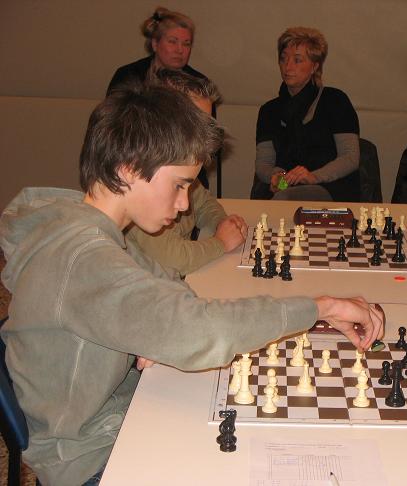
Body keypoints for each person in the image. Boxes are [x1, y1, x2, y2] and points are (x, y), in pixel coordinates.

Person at [0, 85, 384, 486]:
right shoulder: (85, 258)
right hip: (92, 458)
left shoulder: (92, 228)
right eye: (179, 184)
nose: (185, 204)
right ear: (129, 169)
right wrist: (323, 307)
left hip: (120, 414)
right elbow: (202, 330)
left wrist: (155, 329)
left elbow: (168, 286)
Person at [125, 69, 245, 275]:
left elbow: (204, 203)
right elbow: (171, 259)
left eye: (208, 123)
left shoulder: (182, 167)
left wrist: (222, 224)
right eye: (196, 122)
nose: (205, 134)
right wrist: (220, 243)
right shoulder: (147, 180)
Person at [106, 7, 218, 189]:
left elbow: (207, 140)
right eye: (173, 42)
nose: (180, 50)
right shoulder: (128, 76)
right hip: (133, 165)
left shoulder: (200, 84)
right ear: (155, 44)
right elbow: (113, 131)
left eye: (187, 44)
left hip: (186, 169)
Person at [252, 27, 361, 202]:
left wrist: (313, 177)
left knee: (284, 198)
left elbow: (350, 158)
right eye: (283, 59)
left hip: (330, 187)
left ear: (314, 66)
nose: (288, 66)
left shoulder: (336, 100)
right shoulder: (268, 111)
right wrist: (277, 177)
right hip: (285, 187)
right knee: (277, 196)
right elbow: (264, 163)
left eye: (297, 60)